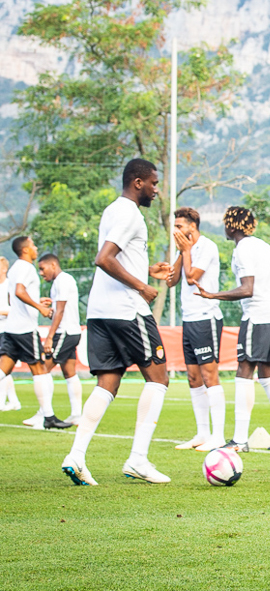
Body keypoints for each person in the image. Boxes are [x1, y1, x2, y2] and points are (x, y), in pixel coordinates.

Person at [61, 159, 174, 485]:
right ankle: (138, 459)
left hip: (100, 311)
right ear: (138, 182)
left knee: (108, 381)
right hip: (127, 310)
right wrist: (141, 286)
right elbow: (104, 259)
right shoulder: (130, 213)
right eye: (153, 183)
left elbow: (116, 258)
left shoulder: (112, 210)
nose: (156, 190)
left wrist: (145, 270)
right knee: (158, 378)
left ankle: (76, 456)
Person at [196, 206, 270, 452]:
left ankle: (239, 439)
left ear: (231, 226)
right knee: (266, 373)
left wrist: (213, 295)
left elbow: (247, 289)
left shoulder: (242, 249)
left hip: (257, 316)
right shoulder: (263, 245)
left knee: (244, 369)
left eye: (225, 223)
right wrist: (267, 293)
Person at [167, 207, 227, 452]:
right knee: (193, 377)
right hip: (189, 318)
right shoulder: (184, 249)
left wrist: (186, 251)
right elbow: (172, 280)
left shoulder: (207, 247)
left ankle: (218, 436)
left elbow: (192, 277)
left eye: (179, 226)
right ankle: (202, 433)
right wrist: (180, 253)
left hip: (206, 317)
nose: (176, 231)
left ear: (193, 226)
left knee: (209, 375)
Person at [0, 237, 68, 430]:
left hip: (12, 327)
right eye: (32, 245)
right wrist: (40, 308)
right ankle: (48, 416)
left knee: (3, 370)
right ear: (25, 250)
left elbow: (14, 297)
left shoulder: (15, 268)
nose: (36, 248)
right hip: (24, 328)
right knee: (40, 369)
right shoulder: (26, 267)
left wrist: (36, 301)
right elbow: (19, 291)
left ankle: (48, 416)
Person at [37, 253, 84, 425]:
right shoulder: (60, 281)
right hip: (71, 331)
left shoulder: (62, 280)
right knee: (69, 372)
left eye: (42, 268)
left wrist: (49, 337)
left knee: (42, 370)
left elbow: (61, 311)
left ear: (53, 265)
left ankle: (43, 414)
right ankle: (77, 414)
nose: (41, 273)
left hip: (64, 332)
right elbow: (58, 311)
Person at [0, 256, 19, 412]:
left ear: (4, 268)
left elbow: (15, 309)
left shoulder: (9, 286)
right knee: (4, 369)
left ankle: (2, 402)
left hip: (7, 330)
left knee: (3, 367)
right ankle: (13, 401)